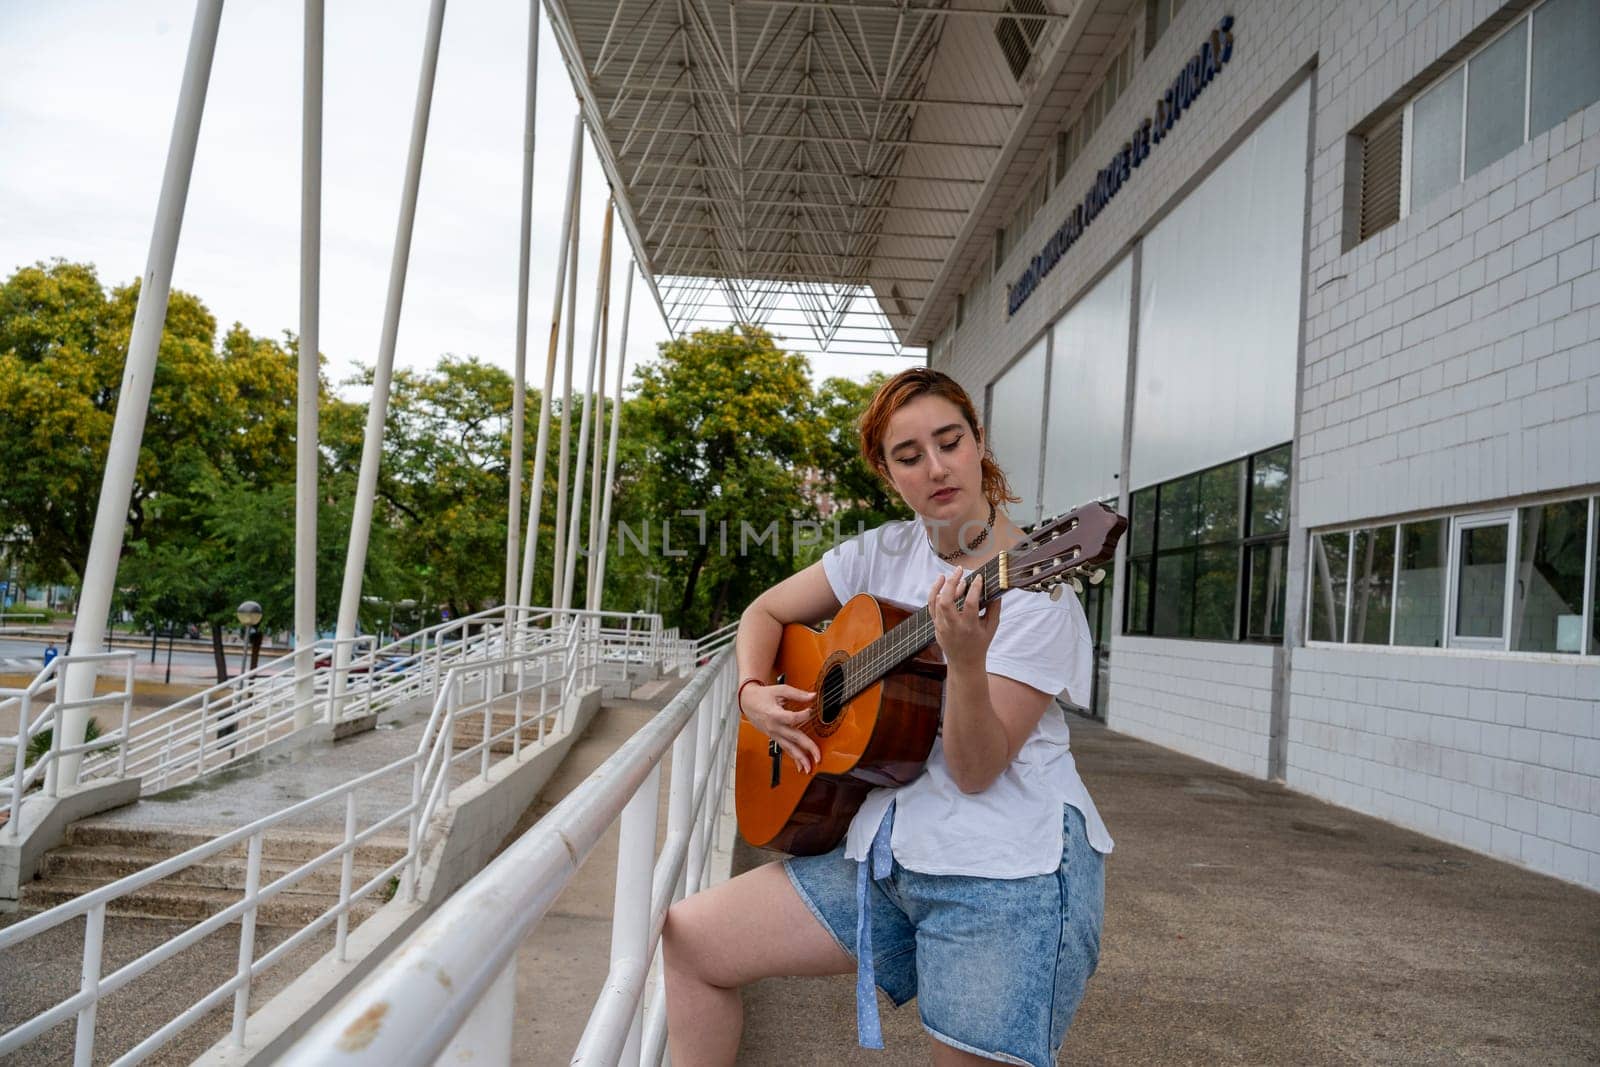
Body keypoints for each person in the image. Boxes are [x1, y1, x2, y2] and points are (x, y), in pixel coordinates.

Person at [662, 368, 1113, 1066]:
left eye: (949, 441)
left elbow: (974, 770)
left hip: (1006, 878)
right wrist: (752, 691)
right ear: (885, 470)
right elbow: (765, 611)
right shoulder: (880, 551)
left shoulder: (1034, 593)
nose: (936, 467)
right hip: (885, 852)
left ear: (978, 441)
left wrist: (965, 662)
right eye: (909, 455)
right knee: (691, 939)